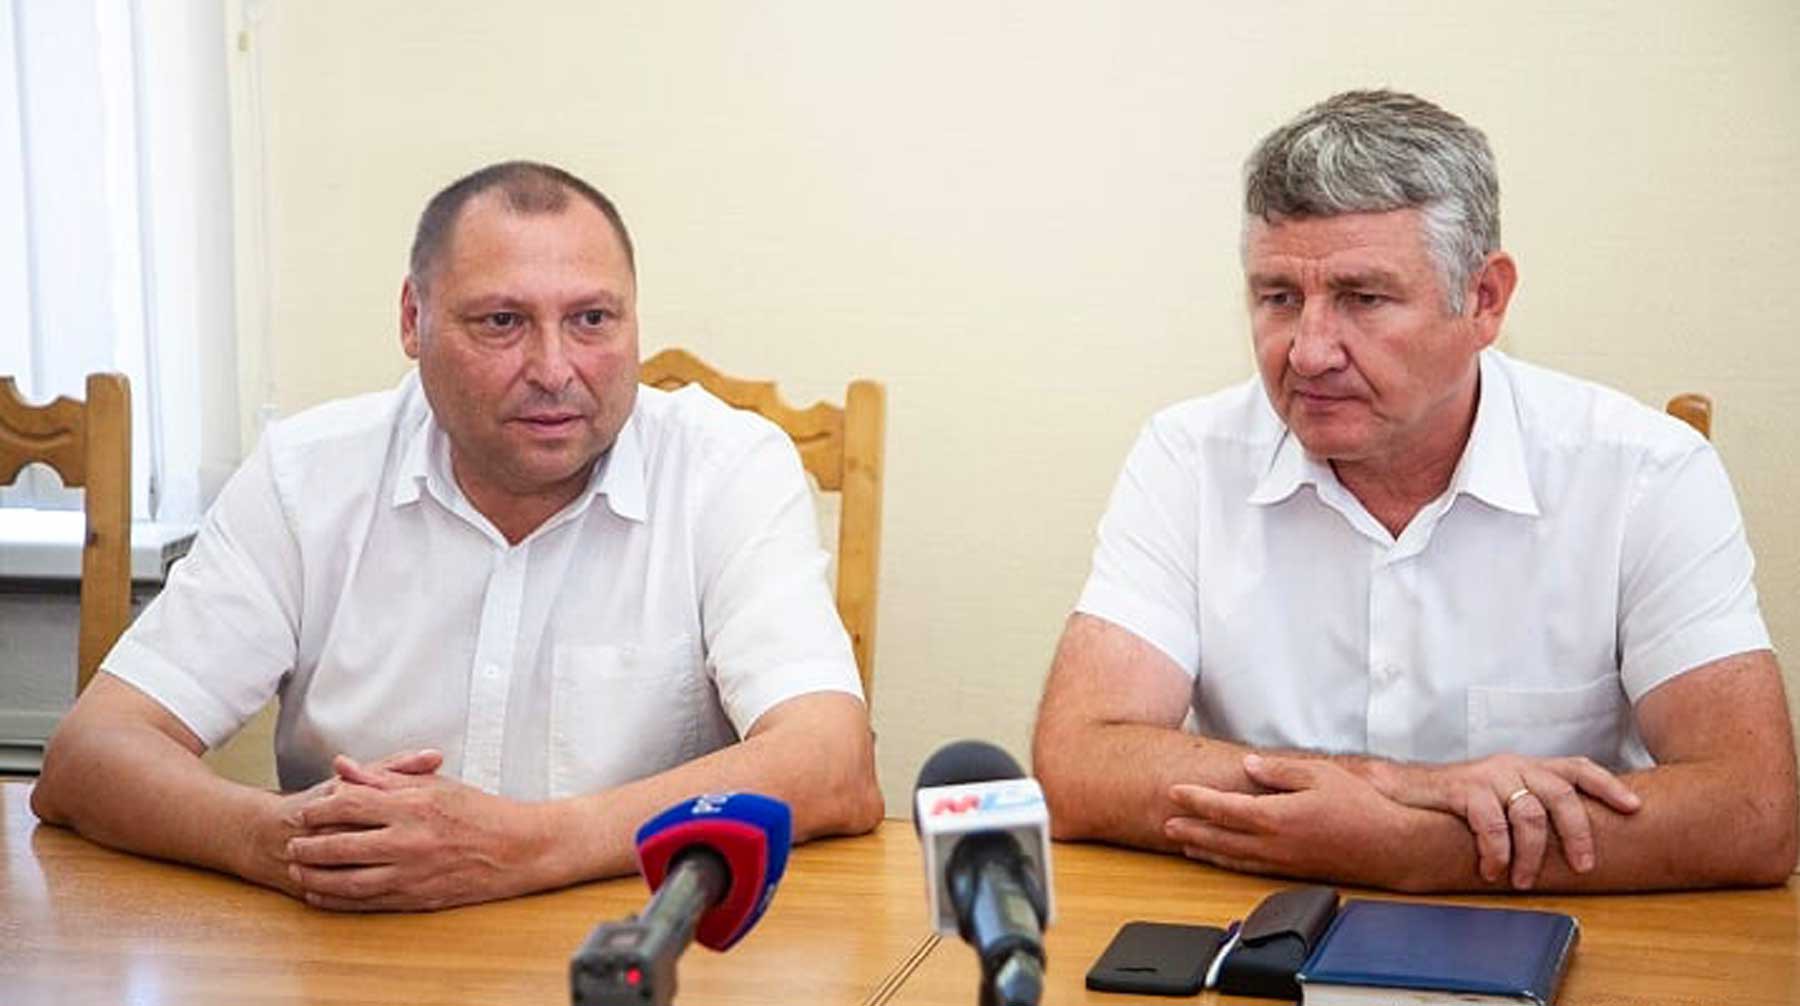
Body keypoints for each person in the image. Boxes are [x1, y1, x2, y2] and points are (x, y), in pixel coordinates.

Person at [31, 161, 883, 911]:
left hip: (640, 946)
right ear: (414, 320)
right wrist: (278, 839)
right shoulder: (307, 477)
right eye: (501, 322)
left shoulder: (725, 469)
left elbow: (831, 765)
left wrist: (523, 848)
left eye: (592, 319)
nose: (554, 369)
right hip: (356, 949)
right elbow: (90, 755)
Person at [1032, 91, 1796, 892]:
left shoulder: (1644, 473)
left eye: (1364, 299)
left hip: (1549, 933)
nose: (1309, 352)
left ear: (1485, 299)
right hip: (1265, 932)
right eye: (1278, 298)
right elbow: (1079, 764)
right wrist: (1403, 788)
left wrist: (1416, 849)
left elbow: (1752, 811)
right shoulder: (1190, 457)